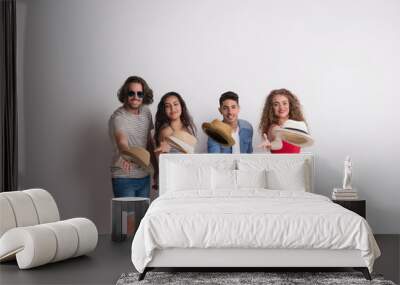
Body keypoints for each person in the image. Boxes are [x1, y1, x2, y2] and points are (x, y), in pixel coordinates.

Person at [108, 76, 156, 198]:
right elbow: (121, 142)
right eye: (131, 93)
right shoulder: (118, 117)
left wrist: (155, 169)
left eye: (139, 94)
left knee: (143, 217)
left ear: (144, 96)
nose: (136, 97)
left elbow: (149, 142)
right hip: (124, 177)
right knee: (127, 217)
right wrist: (126, 155)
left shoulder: (146, 112)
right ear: (125, 94)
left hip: (144, 176)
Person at [258, 88, 306, 153]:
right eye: (276, 104)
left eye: (284, 103)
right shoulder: (274, 128)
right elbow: (278, 143)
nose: (281, 107)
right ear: (271, 108)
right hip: (281, 163)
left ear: (290, 105)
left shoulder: (295, 126)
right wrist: (270, 145)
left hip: (295, 162)